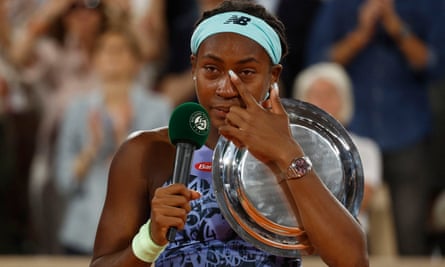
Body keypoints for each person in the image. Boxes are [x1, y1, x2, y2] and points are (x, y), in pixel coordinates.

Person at [90, 1, 369, 266]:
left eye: (246, 72)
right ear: (194, 68)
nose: (226, 88)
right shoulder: (146, 152)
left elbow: (353, 261)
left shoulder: (304, 150)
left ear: (273, 76)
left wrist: (286, 153)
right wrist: (149, 239)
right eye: (211, 70)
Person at [306, 0, 445, 255]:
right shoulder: (339, 6)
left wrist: (397, 28)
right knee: (341, 223)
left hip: (407, 132)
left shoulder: (429, 4)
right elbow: (318, 60)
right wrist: (360, 35)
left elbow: (436, 64)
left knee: (410, 234)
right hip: (354, 136)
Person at [54, 25, 172, 255]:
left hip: (140, 233)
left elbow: (167, 177)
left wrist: (126, 144)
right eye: (106, 50)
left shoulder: (158, 109)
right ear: (94, 59)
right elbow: (63, 180)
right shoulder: (77, 110)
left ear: (137, 61)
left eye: (120, 50)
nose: (113, 57)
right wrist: (92, 148)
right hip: (82, 232)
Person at [293, 62, 383, 242]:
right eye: (317, 95)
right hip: (296, 241)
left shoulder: (366, 148)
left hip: (347, 240)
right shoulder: (287, 146)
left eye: (330, 94)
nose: (324, 101)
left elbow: (360, 200)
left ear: (345, 100)